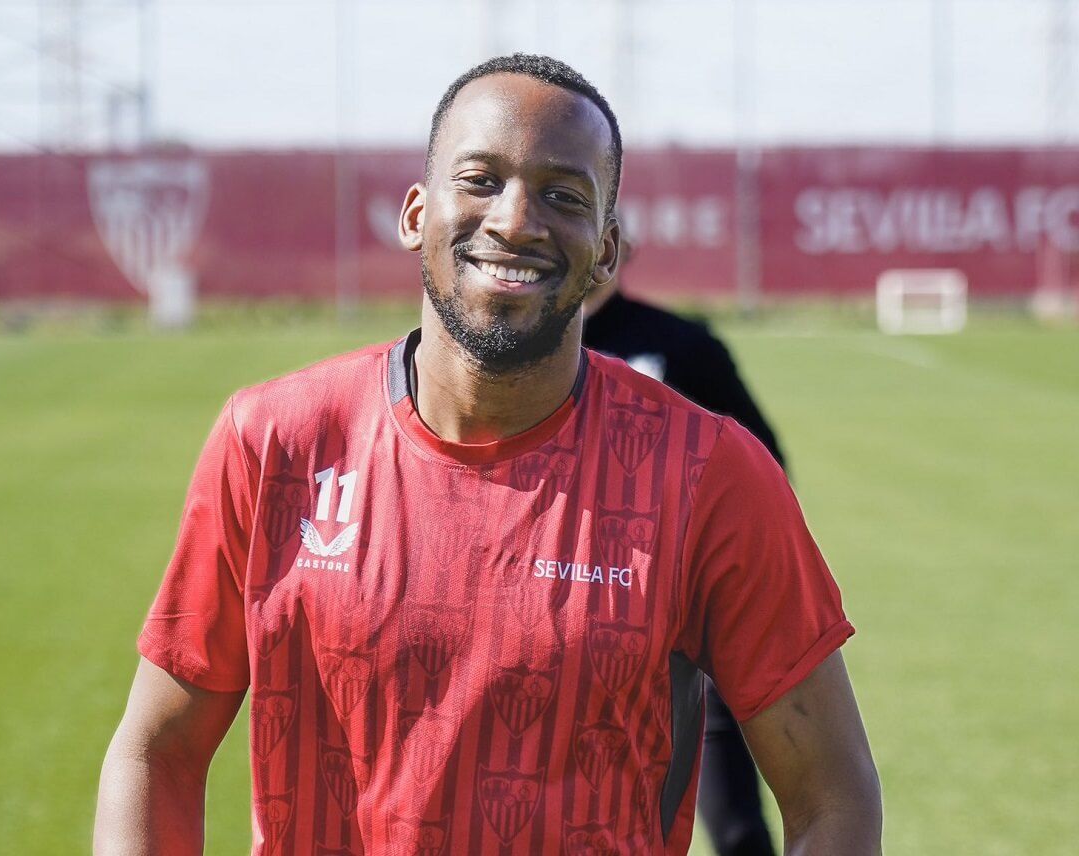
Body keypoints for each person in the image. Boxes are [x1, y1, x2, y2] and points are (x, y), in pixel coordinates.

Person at [95, 54, 882, 855]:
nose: (515, 220)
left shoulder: (707, 474)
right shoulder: (274, 443)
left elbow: (833, 798)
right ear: (414, 214)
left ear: (606, 251)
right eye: (480, 179)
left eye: (563, 196)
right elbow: (158, 749)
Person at [583, 250, 785, 856]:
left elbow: (764, 468)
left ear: (613, 247)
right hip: (567, 623)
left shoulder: (683, 344)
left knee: (739, 831)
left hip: (684, 629)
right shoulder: (514, 365)